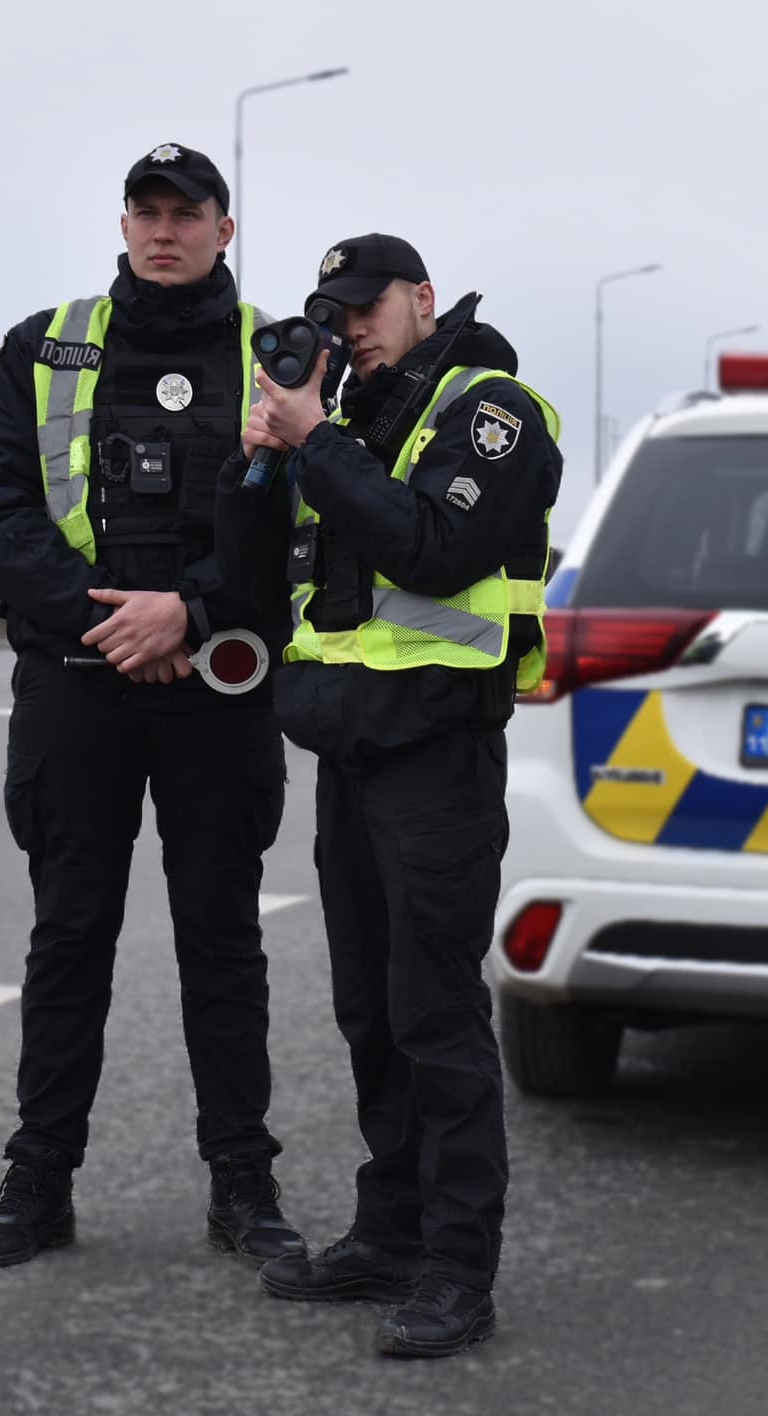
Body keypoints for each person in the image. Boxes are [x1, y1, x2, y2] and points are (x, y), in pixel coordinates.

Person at [0, 143, 302, 1271]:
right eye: (146, 212)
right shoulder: (43, 344)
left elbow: (301, 525)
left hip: (217, 687)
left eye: (185, 214)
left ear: (223, 229)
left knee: (222, 939)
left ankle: (243, 1184)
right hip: (77, 683)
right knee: (69, 936)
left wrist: (187, 615)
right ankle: (38, 1180)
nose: (164, 231)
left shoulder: (279, 357)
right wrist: (111, 623)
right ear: (122, 225)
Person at [215, 234, 563, 1355]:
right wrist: (262, 458)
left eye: (369, 306)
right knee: (367, 1007)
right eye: (336, 310)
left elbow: (433, 547)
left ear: (423, 298)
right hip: (350, 752)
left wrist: (317, 441)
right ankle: (390, 1230)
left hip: (438, 755)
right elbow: (250, 576)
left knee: (434, 1011)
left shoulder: (491, 410)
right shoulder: (350, 424)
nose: (352, 326)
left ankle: (458, 1267)